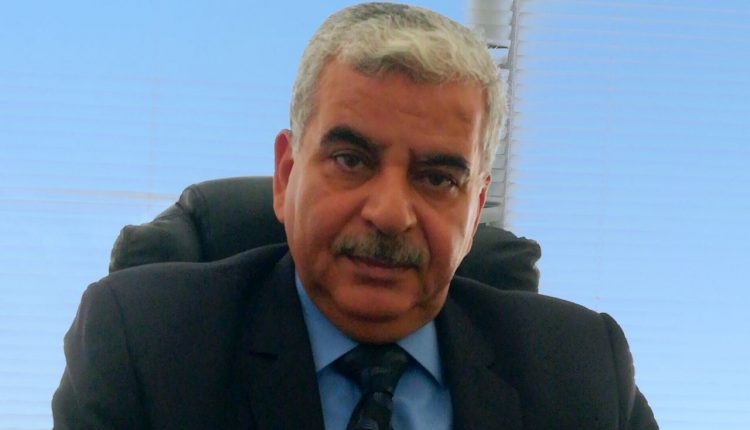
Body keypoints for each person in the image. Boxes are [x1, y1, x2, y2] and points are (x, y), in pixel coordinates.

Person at [52, 2, 658, 429]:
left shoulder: (582, 372)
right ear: (286, 175)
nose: (390, 214)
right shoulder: (145, 346)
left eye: (438, 178)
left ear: (476, 210)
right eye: (351, 160)